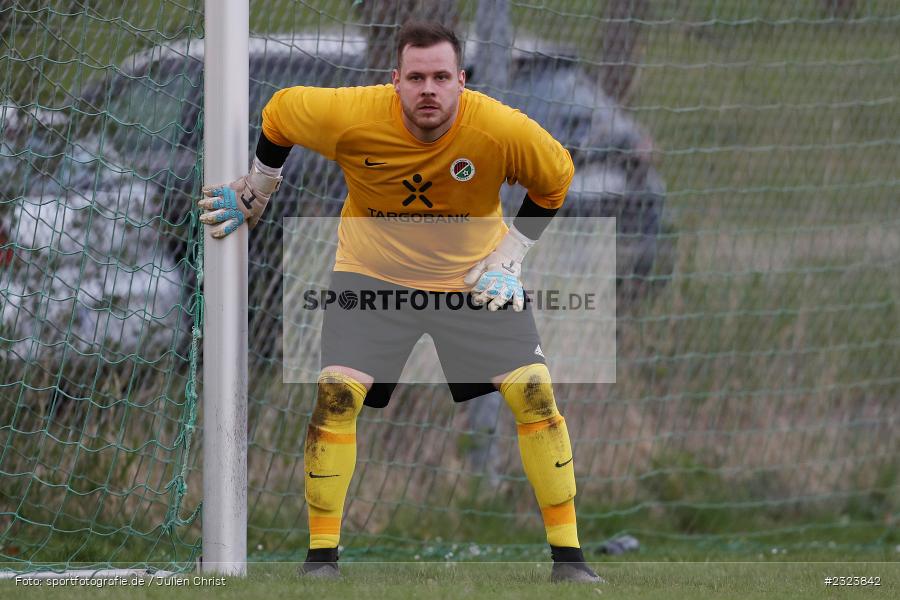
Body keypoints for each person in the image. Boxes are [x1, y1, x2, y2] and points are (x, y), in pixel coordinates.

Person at [196, 21, 602, 584]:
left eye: (441, 76)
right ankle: (321, 563)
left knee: (534, 396)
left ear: (462, 81)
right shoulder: (355, 115)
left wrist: (511, 256)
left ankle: (571, 562)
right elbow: (281, 111)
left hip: (470, 280)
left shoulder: (499, 129)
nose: (428, 89)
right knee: (336, 398)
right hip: (372, 279)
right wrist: (260, 186)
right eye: (416, 77)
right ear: (396, 81)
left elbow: (556, 178)